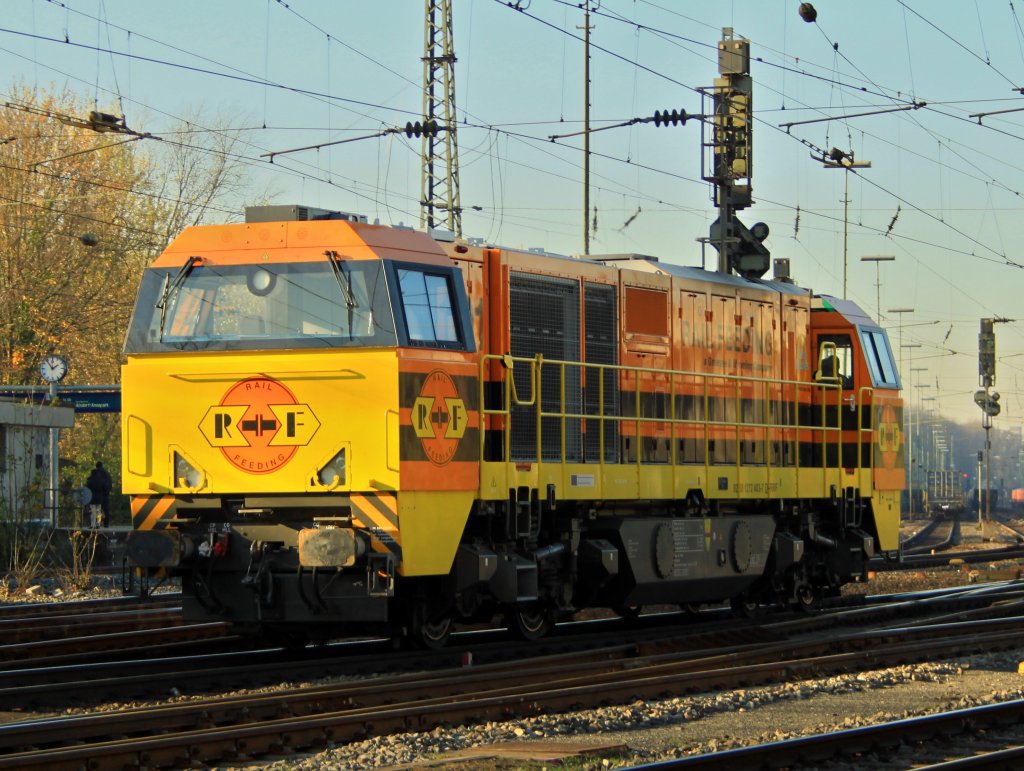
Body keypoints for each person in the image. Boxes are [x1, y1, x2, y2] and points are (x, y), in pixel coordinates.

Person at [86, 461, 112, 526]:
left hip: (93, 497)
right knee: (104, 509)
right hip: (103, 495)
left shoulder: (91, 480)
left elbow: (87, 489)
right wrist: (107, 492)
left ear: (96, 466)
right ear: (102, 465)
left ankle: (93, 524)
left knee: (93, 511)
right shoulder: (107, 474)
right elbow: (109, 484)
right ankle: (104, 524)